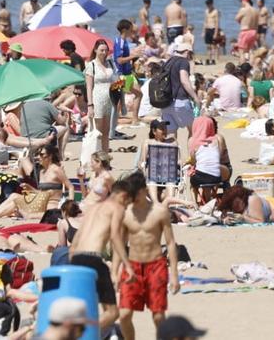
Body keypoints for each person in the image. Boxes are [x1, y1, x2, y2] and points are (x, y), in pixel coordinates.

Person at [115, 172, 179, 340]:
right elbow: (119, 244)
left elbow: (170, 242)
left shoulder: (160, 212)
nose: (132, 199)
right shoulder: (126, 213)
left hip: (156, 266)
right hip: (132, 267)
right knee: (124, 315)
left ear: (143, 190)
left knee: (158, 317)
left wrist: (174, 274)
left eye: (134, 195)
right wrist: (115, 271)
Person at [67, 179, 132, 332]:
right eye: (128, 202)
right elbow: (115, 237)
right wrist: (127, 265)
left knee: (84, 307)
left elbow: (75, 241)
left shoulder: (94, 208)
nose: (126, 206)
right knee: (112, 312)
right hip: (93, 259)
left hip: (76, 258)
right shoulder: (117, 208)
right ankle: (83, 335)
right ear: (123, 195)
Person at [160, 40, 198, 147]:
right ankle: (191, 156)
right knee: (193, 131)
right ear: (187, 52)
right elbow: (184, 80)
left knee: (171, 134)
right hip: (180, 101)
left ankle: (172, 156)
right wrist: (195, 97)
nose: (190, 57)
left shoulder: (167, 62)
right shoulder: (183, 62)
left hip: (165, 104)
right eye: (191, 54)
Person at [85, 39, 116, 153]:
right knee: (97, 132)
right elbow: (89, 87)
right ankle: (96, 156)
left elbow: (114, 80)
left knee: (106, 131)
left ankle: (105, 155)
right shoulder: (91, 65)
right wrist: (90, 105)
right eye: (101, 50)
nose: (104, 52)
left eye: (106, 50)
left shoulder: (110, 64)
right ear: (95, 50)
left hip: (109, 99)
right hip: (97, 99)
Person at [203, 0, 220, 64]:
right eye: (207, 4)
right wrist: (203, 31)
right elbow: (205, 21)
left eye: (209, 4)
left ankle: (213, 59)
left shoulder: (215, 11)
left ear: (212, 4)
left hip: (213, 29)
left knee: (213, 46)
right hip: (207, 29)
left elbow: (217, 23)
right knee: (208, 46)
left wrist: (215, 33)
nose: (208, 5)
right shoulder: (206, 11)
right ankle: (208, 59)